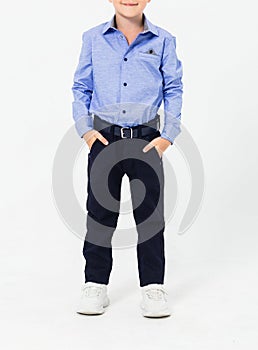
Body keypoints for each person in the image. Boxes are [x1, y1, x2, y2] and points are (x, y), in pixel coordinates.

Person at [71, 0, 183, 318]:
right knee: (100, 214)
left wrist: (166, 136)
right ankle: (95, 284)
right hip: (104, 140)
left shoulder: (163, 41)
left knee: (149, 217)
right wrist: (87, 131)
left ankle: (152, 287)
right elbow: (81, 86)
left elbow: (174, 88)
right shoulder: (93, 38)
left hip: (147, 142)